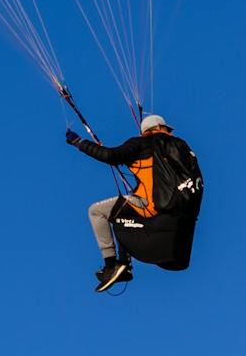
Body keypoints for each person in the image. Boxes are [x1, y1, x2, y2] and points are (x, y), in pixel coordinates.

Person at [65, 112, 184, 290]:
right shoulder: (177, 148)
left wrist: (79, 143)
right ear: (158, 128)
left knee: (96, 211)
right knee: (124, 209)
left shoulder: (141, 143)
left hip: (149, 205)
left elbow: (110, 156)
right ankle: (123, 263)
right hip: (170, 208)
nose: (169, 132)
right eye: (167, 129)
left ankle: (111, 264)